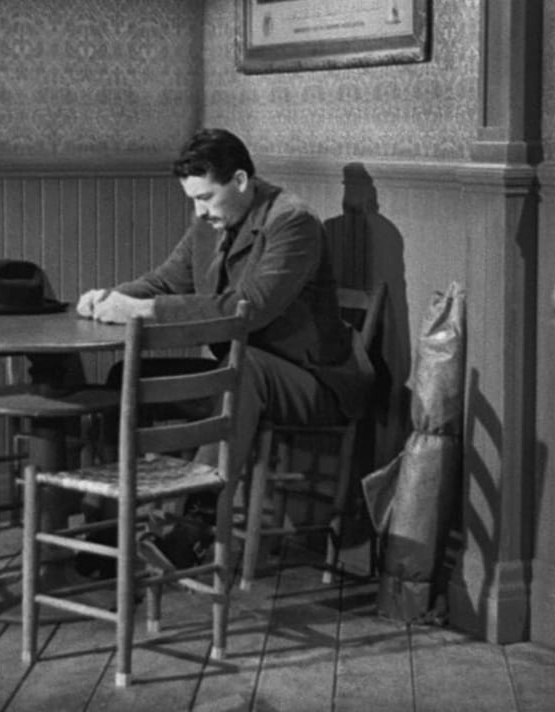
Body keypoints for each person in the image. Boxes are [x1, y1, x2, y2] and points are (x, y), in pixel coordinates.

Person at [74, 128, 374, 574]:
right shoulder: (210, 220)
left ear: (239, 180)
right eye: (193, 199)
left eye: (205, 197)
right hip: (240, 371)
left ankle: (189, 531)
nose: (199, 210)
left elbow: (248, 309)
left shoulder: (293, 222)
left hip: (314, 379)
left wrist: (142, 310)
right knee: (128, 377)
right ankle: (110, 525)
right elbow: (165, 281)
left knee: (241, 369)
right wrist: (109, 297)